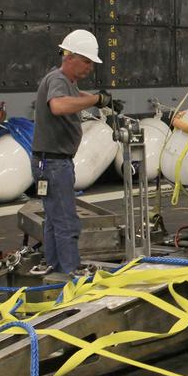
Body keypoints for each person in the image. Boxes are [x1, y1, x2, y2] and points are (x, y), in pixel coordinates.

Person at [30, 29, 120, 277]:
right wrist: (94, 100)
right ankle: (70, 270)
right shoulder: (58, 80)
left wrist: (97, 98)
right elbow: (59, 106)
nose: (90, 68)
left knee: (52, 217)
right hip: (54, 164)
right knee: (66, 220)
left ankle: (54, 264)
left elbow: (73, 94)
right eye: (87, 61)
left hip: (47, 162)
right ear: (70, 57)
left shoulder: (63, 81)